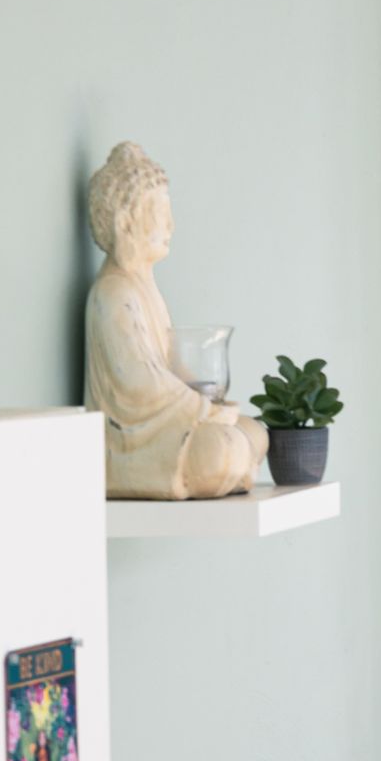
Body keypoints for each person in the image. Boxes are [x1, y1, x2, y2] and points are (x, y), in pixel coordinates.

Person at [85, 142, 269, 498]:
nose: (170, 225)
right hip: (131, 443)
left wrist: (213, 407)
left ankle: (228, 463)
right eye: (159, 214)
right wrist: (201, 408)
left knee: (254, 432)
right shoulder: (112, 292)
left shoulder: (146, 289)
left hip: (169, 423)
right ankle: (223, 467)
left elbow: (171, 366)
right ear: (125, 223)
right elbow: (138, 381)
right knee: (224, 449)